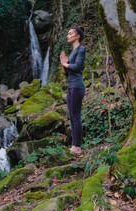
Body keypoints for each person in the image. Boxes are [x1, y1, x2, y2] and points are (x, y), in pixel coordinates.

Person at [60, 26, 86, 155]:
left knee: (76, 116)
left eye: (70, 34)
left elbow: (77, 67)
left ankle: (77, 147)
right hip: (71, 86)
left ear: (77, 36)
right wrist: (63, 64)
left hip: (77, 86)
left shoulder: (81, 49)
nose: (67, 36)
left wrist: (66, 64)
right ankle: (74, 145)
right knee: (72, 116)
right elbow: (68, 73)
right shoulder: (73, 51)